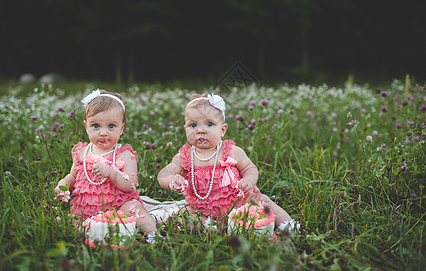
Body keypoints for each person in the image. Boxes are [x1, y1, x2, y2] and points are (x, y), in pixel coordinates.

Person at [158, 93, 298, 233]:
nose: (200, 130)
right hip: (201, 209)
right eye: (193, 125)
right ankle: (214, 228)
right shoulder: (185, 156)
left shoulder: (231, 151)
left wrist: (249, 181)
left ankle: (288, 225)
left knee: (262, 200)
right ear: (185, 129)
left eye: (209, 124)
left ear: (222, 130)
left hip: (238, 203)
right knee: (181, 217)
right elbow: (164, 173)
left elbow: (250, 168)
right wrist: (171, 180)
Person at [54, 89, 157, 239]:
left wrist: (112, 172)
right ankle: (89, 232)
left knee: (134, 209)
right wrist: (63, 184)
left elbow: (131, 184)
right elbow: (73, 176)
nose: (103, 132)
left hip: (119, 206)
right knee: (72, 221)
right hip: (87, 208)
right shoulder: (82, 153)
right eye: (96, 126)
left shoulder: (124, 155)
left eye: (111, 126)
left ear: (121, 128)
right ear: (86, 126)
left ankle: (152, 234)